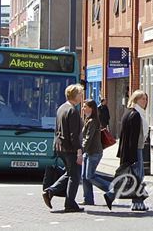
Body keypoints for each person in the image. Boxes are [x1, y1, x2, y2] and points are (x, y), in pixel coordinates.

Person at [42, 84, 86, 213]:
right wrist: (79, 152)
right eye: (80, 94)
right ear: (75, 95)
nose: (81, 96)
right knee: (75, 176)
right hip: (70, 148)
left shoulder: (61, 108)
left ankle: (50, 191)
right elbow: (73, 134)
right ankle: (70, 203)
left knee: (70, 173)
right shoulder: (72, 110)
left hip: (60, 147)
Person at [117, 89, 149, 212]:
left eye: (146, 99)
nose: (145, 101)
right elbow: (132, 137)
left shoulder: (132, 112)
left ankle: (137, 202)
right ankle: (137, 202)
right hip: (135, 150)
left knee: (136, 176)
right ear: (135, 100)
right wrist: (132, 156)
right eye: (142, 99)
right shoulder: (135, 114)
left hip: (134, 149)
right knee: (138, 176)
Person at [80, 99, 115, 208]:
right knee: (84, 176)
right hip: (88, 152)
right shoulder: (88, 119)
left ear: (91, 108)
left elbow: (88, 138)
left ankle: (111, 189)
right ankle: (88, 199)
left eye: (85, 106)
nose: (83, 108)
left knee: (90, 176)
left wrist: (81, 150)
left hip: (94, 152)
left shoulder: (93, 121)